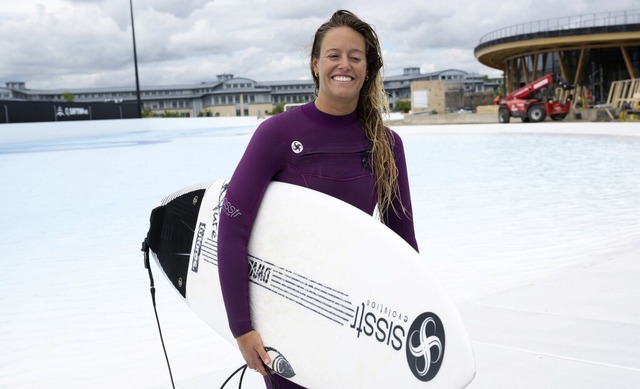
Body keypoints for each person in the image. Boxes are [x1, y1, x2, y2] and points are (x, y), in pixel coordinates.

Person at [217, 10, 419, 388]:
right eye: (333, 55)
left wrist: (409, 324)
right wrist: (241, 328)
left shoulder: (388, 146)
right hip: (289, 321)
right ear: (315, 64)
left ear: (368, 68)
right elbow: (232, 229)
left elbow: (403, 245)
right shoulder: (276, 133)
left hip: (357, 320)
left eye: (355, 57)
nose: (344, 65)